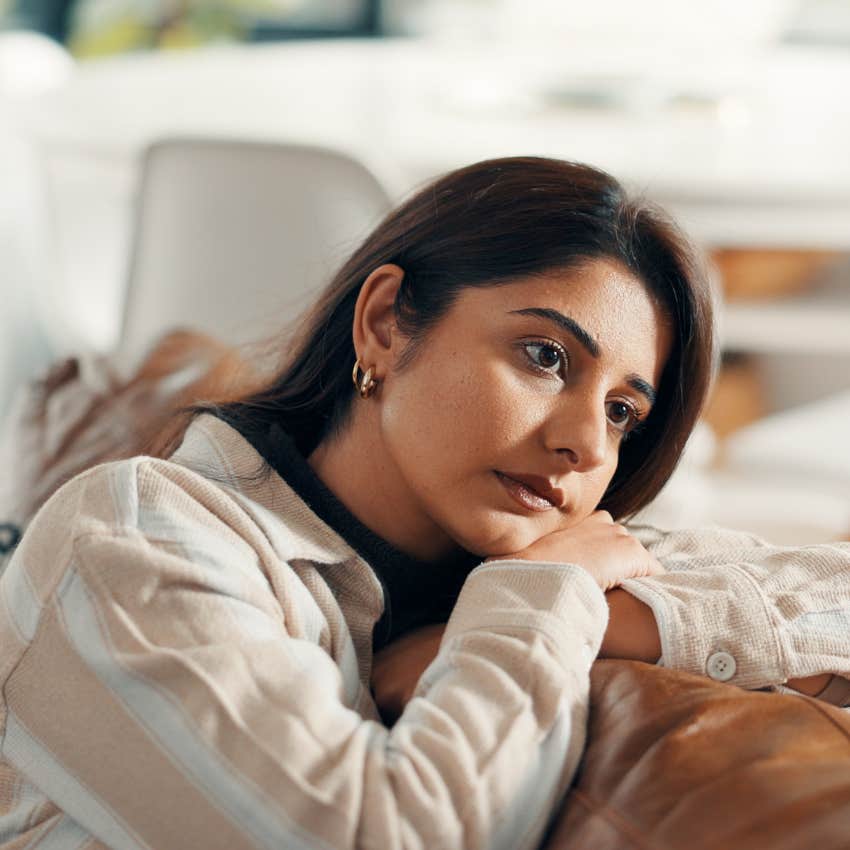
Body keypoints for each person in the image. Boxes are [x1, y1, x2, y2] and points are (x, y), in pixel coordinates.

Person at [0, 157, 847, 850]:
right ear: (384, 323)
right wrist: (538, 605)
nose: (588, 446)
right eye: (545, 356)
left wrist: (625, 620)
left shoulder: (534, 549)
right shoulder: (135, 534)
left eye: (624, 411)